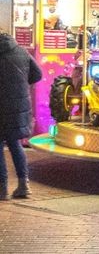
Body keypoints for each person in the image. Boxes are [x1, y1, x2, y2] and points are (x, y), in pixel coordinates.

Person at [0, 31, 42, 199]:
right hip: (18, 106)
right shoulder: (21, 51)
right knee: (15, 143)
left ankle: (2, 189)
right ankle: (23, 185)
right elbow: (37, 74)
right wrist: (21, 85)